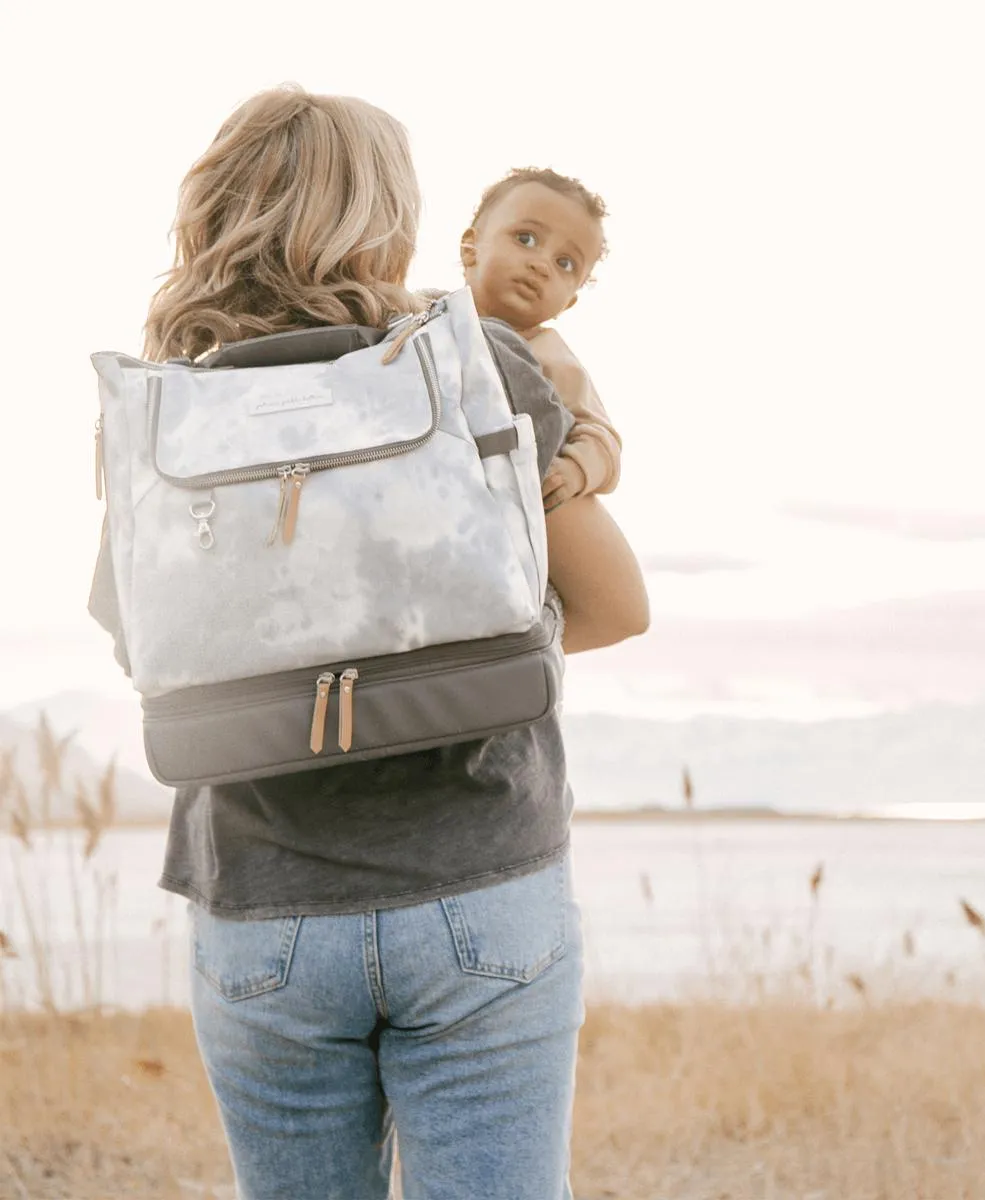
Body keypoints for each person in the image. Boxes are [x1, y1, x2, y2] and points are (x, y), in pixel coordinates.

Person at [88, 85, 649, 1200]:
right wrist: (433, 664)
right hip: (481, 879)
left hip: (264, 903)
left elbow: (138, 640)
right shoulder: (469, 366)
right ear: (392, 221)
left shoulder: (165, 414)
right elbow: (617, 605)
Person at [459, 167, 622, 512]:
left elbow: (603, 438)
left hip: (526, 514)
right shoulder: (427, 319)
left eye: (565, 263)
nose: (542, 265)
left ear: (570, 301)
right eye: (526, 239)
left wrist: (575, 471)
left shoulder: (548, 354)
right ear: (470, 248)